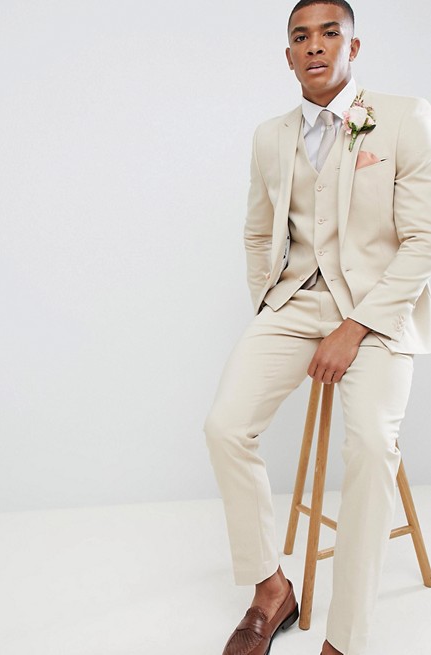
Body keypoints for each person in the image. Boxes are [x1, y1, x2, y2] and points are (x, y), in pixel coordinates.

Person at [203, 1, 431, 654]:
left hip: (377, 310)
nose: (314, 46)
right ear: (288, 56)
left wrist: (355, 326)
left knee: (371, 446)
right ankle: (270, 587)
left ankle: (346, 638)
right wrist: (268, 304)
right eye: (300, 37)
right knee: (224, 427)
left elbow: (422, 240)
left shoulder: (403, 118)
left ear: (352, 48)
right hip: (295, 304)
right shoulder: (269, 136)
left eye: (330, 33)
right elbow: (257, 231)